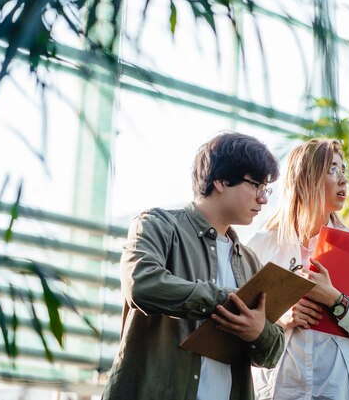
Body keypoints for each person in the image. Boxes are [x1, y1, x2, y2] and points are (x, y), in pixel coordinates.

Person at [102, 132, 285, 400]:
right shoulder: (157, 225)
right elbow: (141, 284)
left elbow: (273, 351)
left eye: (265, 189)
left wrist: (259, 331)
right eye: (256, 184)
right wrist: (225, 300)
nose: (263, 199)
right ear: (222, 180)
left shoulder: (250, 261)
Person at [247, 138, 349, 400]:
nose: (343, 180)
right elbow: (239, 318)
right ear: (305, 178)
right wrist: (282, 316)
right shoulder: (261, 246)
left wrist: (336, 301)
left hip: (339, 389)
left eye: (343, 170)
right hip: (279, 390)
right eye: (332, 170)